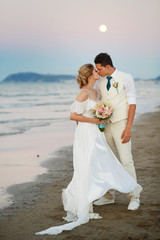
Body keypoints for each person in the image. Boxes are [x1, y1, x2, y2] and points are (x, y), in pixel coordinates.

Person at [35, 64, 142, 236]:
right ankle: (88, 200)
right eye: (95, 71)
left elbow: (91, 113)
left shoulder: (95, 91)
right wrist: (94, 122)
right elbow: (73, 115)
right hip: (87, 134)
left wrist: (101, 119)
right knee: (87, 165)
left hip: (94, 133)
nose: (97, 72)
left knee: (101, 163)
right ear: (90, 75)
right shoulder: (84, 92)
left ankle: (108, 194)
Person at [94, 52, 141, 210]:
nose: (97, 71)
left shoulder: (126, 77)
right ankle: (109, 196)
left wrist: (128, 127)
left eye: (99, 69)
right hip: (105, 125)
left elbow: (132, 103)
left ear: (108, 66)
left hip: (121, 124)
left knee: (126, 160)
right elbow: (96, 101)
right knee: (107, 160)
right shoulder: (100, 82)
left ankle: (134, 196)